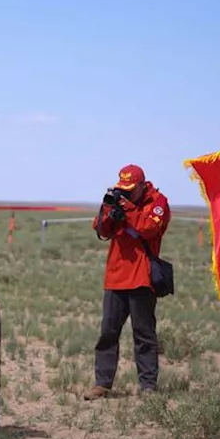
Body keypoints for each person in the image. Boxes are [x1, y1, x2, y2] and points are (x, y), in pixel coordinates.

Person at [84, 164, 171, 400]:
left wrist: (129, 208)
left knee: (144, 334)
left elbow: (149, 229)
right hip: (116, 277)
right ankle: (102, 384)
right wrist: (108, 209)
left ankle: (148, 387)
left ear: (142, 185)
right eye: (123, 189)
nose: (126, 193)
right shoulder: (119, 201)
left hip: (142, 278)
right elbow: (101, 229)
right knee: (107, 333)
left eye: (130, 189)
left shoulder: (158, 202)